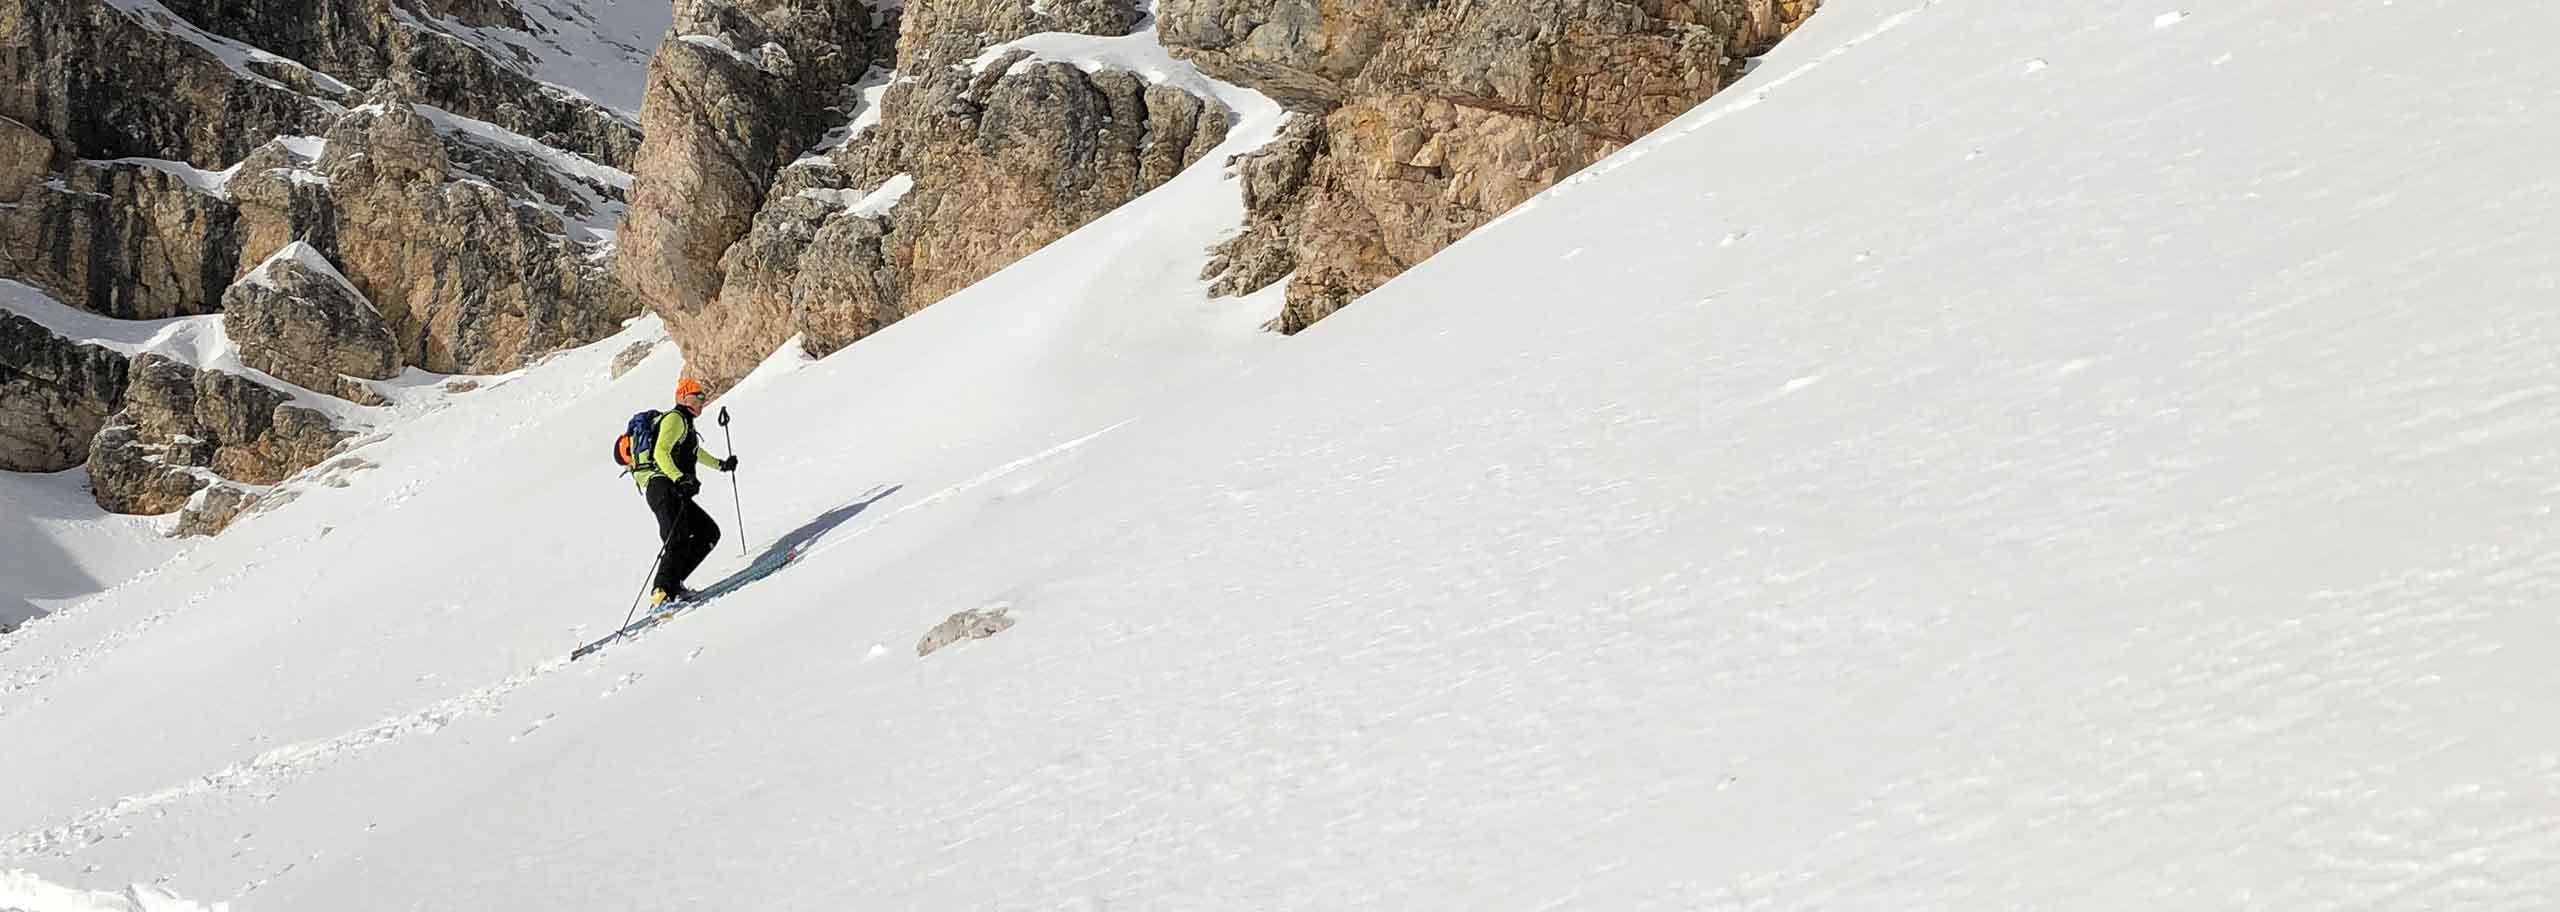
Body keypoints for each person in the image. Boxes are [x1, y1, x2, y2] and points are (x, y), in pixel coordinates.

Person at [634, 377, 738, 607]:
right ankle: (661, 595)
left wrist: (721, 465)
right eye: (697, 396)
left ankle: (673, 583)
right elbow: (661, 452)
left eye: (703, 397)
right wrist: (680, 478)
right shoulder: (675, 418)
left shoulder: (686, 424)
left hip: (674, 489)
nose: (702, 400)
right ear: (682, 397)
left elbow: (694, 452)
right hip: (662, 486)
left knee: (708, 533)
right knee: (677, 539)